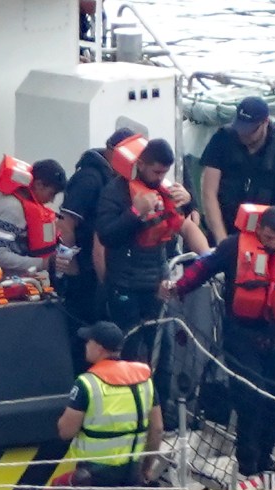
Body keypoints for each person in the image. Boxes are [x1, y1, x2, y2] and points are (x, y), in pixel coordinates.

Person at [160, 205, 275, 478]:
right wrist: (177, 287)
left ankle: (265, 457)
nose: (274, 244)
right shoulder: (233, 247)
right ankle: (248, 465)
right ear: (260, 229)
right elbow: (204, 267)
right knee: (251, 399)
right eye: (270, 237)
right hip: (241, 336)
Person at [95, 138, 209, 414]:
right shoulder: (115, 192)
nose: (161, 178)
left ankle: (164, 410)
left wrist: (209, 260)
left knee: (165, 349)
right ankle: (132, 410)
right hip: (124, 283)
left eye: (164, 173)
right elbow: (107, 234)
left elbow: (183, 227)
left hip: (157, 282)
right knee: (130, 349)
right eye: (156, 172)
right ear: (141, 165)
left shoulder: (168, 191)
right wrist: (136, 212)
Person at [53, 321, 163, 487]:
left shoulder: (87, 383)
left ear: (99, 348)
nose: (86, 345)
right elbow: (157, 428)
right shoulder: (144, 378)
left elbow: (66, 432)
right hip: (132, 474)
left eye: (89, 341)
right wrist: (146, 469)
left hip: (93, 476)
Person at [58, 127, 137, 327]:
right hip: (85, 268)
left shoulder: (112, 178)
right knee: (85, 328)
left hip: (105, 266)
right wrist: (72, 266)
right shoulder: (89, 179)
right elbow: (65, 224)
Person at [201, 96, 275, 244]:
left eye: (250, 130)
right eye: (240, 128)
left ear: (265, 122)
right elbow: (209, 193)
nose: (243, 135)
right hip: (224, 226)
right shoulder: (222, 139)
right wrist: (221, 240)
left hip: (264, 235)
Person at [0, 157, 66, 277]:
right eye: (51, 194)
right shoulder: (13, 208)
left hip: (13, 278)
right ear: (38, 185)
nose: (51, 200)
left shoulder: (12, 194)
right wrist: (43, 263)